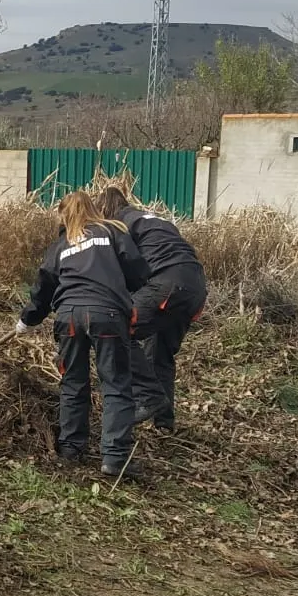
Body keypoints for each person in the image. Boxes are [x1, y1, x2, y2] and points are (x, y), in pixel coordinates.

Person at [15, 190, 149, 478]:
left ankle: (70, 449)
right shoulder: (113, 232)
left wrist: (27, 320)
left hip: (69, 317)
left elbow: (43, 289)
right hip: (108, 315)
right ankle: (114, 458)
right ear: (93, 209)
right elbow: (138, 272)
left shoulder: (61, 246)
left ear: (65, 215)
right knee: (114, 384)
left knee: (73, 382)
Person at [94, 184, 207, 432]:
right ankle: (164, 423)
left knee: (115, 329)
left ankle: (149, 397)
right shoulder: (155, 220)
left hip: (168, 284)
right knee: (159, 354)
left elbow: (121, 269)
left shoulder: (120, 225)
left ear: (106, 209)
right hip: (195, 287)